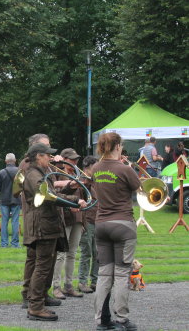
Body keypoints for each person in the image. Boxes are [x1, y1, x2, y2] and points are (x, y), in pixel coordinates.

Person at [21, 143, 86, 321]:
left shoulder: (40, 173)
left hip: (46, 225)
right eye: (46, 155)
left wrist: (69, 188)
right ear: (38, 156)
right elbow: (49, 197)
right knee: (42, 267)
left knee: (45, 266)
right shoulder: (34, 175)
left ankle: (39, 302)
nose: (50, 158)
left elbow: (51, 193)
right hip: (42, 226)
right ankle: (35, 307)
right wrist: (75, 200)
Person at [92, 132, 141, 331]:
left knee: (104, 274)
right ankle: (122, 319)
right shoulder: (124, 168)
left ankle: (101, 320)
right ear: (118, 146)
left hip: (101, 224)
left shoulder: (95, 168)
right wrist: (127, 166)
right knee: (121, 274)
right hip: (123, 224)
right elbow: (139, 188)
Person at [52, 148, 85, 299]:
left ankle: (69, 285)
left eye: (76, 160)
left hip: (77, 219)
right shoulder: (56, 172)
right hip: (64, 218)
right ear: (64, 159)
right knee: (60, 254)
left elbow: (84, 195)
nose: (75, 162)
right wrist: (69, 207)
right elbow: (55, 192)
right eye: (72, 160)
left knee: (72, 253)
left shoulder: (77, 174)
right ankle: (56, 286)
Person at [77, 155, 99, 294]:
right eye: (95, 167)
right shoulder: (81, 181)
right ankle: (82, 282)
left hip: (99, 220)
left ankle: (95, 281)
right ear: (88, 167)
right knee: (86, 252)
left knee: (98, 253)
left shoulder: (98, 180)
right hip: (87, 220)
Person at [0, 153, 21, 248]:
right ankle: (15, 244)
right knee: (15, 222)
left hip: (4, 200)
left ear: (5, 161)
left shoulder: (2, 172)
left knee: (4, 222)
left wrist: (3, 188)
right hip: (16, 199)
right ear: (15, 160)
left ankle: (4, 244)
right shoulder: (19, 171)